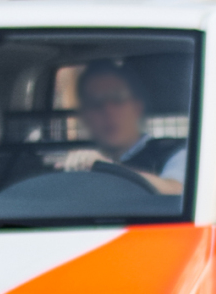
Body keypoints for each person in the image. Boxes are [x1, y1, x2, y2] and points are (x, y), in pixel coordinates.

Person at [62, 61, 186, 194]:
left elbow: (176, 191)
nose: (108, 111)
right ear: (86, 117)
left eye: (117, 99)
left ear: (138, 107)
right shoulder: (80, 166)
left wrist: (107, 168)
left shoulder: (173, 152)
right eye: (96, 103)